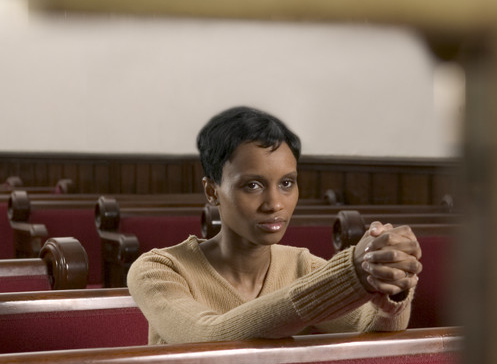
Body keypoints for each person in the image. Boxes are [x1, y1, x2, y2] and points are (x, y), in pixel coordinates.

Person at [127, 105, 423, 344]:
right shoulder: (158, 269)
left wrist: (391, 285)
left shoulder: (301, 266)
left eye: (286, 183)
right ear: (212, 191)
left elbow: (368, 330)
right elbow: (208, 337)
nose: (275, 204)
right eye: (252, 185)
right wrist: (349, 273)